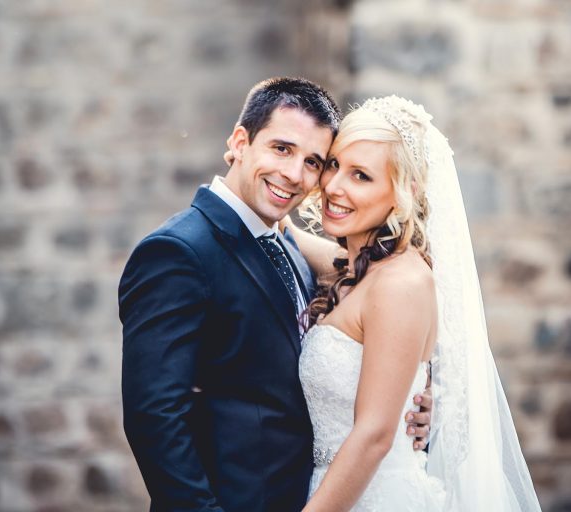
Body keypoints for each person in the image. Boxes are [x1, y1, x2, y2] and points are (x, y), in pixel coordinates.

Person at [118, 78, 432, 512]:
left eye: (313, 162)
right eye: (281, 149)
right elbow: (154, 417)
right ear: (239, 141)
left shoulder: (288, 245)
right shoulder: (178, 251)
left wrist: (412, 403)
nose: (294, 175)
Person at [285, 96, 542, 511]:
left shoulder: (400, 283)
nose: (333, 186)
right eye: (333, 164)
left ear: (406, 191)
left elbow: (374, 436)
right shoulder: (360, 270)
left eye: (361, 176)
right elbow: (290, 238)